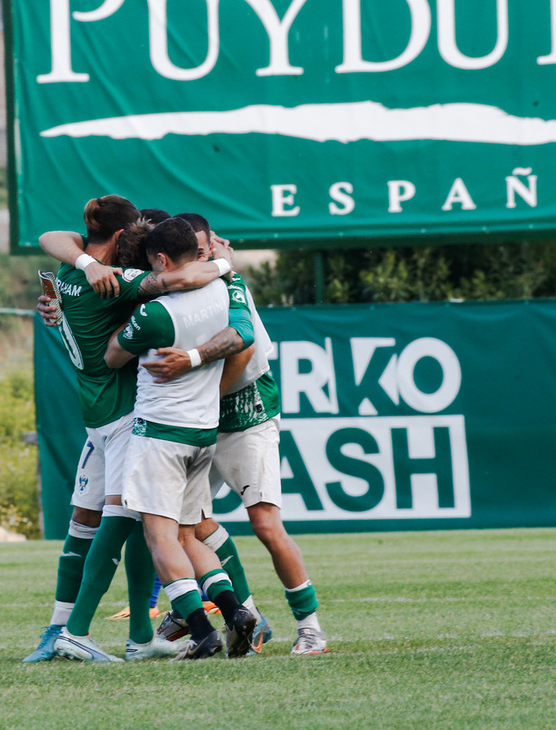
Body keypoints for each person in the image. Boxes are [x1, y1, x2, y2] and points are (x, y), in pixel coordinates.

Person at [24, 196, 241, 663]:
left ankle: (136, 633)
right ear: (124, 238)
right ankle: (74, 630)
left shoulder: (66, 274)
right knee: (125, 519)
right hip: (127, 415)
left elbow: (49, 238)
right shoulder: (122, 284)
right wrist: (224, 264)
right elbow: (182, 277)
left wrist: (81, 261)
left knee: (119, 521)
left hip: (96, 415)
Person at [146, 218, 330, 656]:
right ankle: (246, 615)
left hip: (244, 410)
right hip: (198, 419)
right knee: (187, 525)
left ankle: (310, 628)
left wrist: (202, 388)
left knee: (265, 523)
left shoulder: (226, 282)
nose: (204, 254)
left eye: (208, 247)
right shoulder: (180, 280)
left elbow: (243, 345)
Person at [104, 218, 258, 660]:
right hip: (203, 433)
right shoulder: (226, 289)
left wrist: (123, 320)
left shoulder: (155, 313)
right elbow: (242, 332)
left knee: (160, 538)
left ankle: (201, 630)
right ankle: (235, 613)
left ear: (162, 260)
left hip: (160, 434)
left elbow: (113, 356)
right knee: (190, 536)